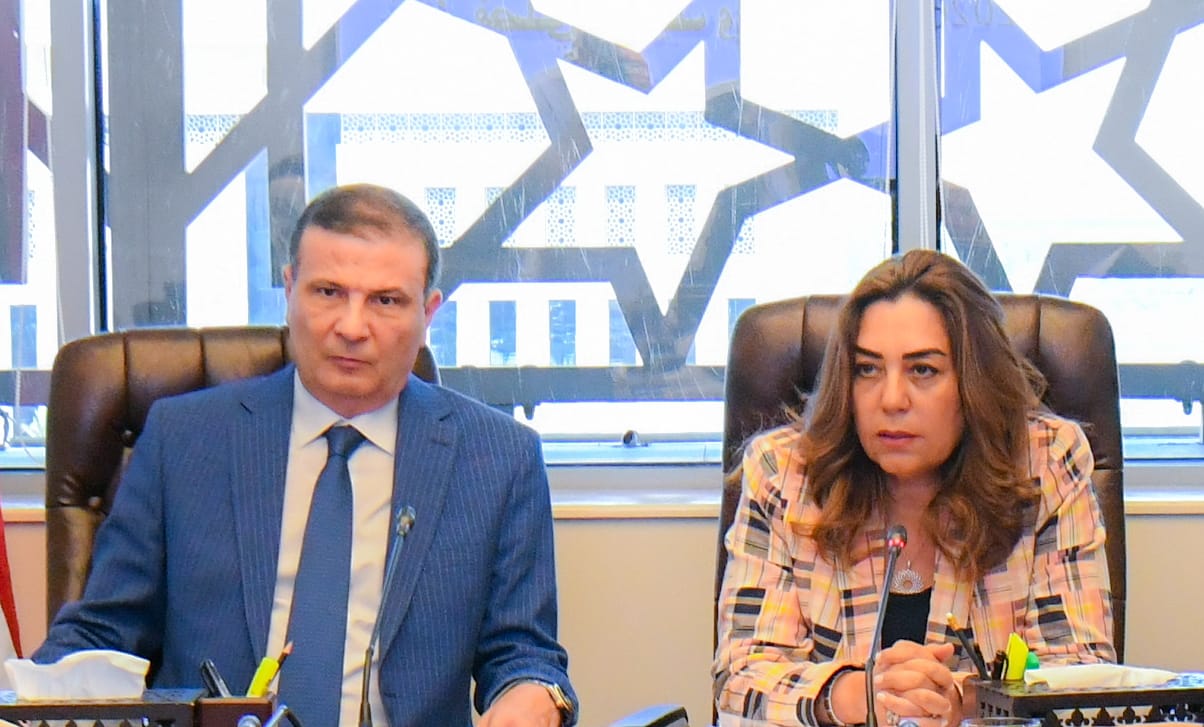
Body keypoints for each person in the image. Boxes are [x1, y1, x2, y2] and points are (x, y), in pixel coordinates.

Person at [35, 184, 577, 727]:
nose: (352, 327)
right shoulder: (185, 440)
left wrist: (534, 692)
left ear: (428, 312)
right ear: (290, 289)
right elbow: (103, 632)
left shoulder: (498, 458)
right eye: (328, 292)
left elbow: (523, 652)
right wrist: (35, 697)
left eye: (386, 301)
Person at [712, 249, 1114, 727]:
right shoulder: (784, 473)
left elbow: (1081, 673)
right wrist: (854, 694)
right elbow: (741, 675)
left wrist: (963, 699)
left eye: (923, 370)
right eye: (867, 369)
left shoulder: (1045, 464)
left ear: (975, 382)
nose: (891, 399)